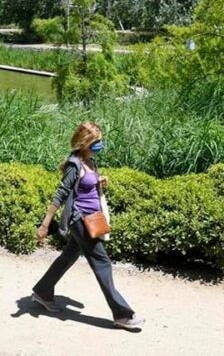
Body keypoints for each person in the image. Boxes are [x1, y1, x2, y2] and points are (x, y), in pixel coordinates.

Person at [31, 122, 145, 331]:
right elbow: (61, 195)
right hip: (80, 220)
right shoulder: (74, 165)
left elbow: (85, 187)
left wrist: (98, 181)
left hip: (92, 217)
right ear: (84, 143)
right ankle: (122, 314)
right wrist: (45, 224)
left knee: (68, 256)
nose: (100, 145)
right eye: (96, 141)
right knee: (102, 263)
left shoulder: (90, 161)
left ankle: (42, 291)